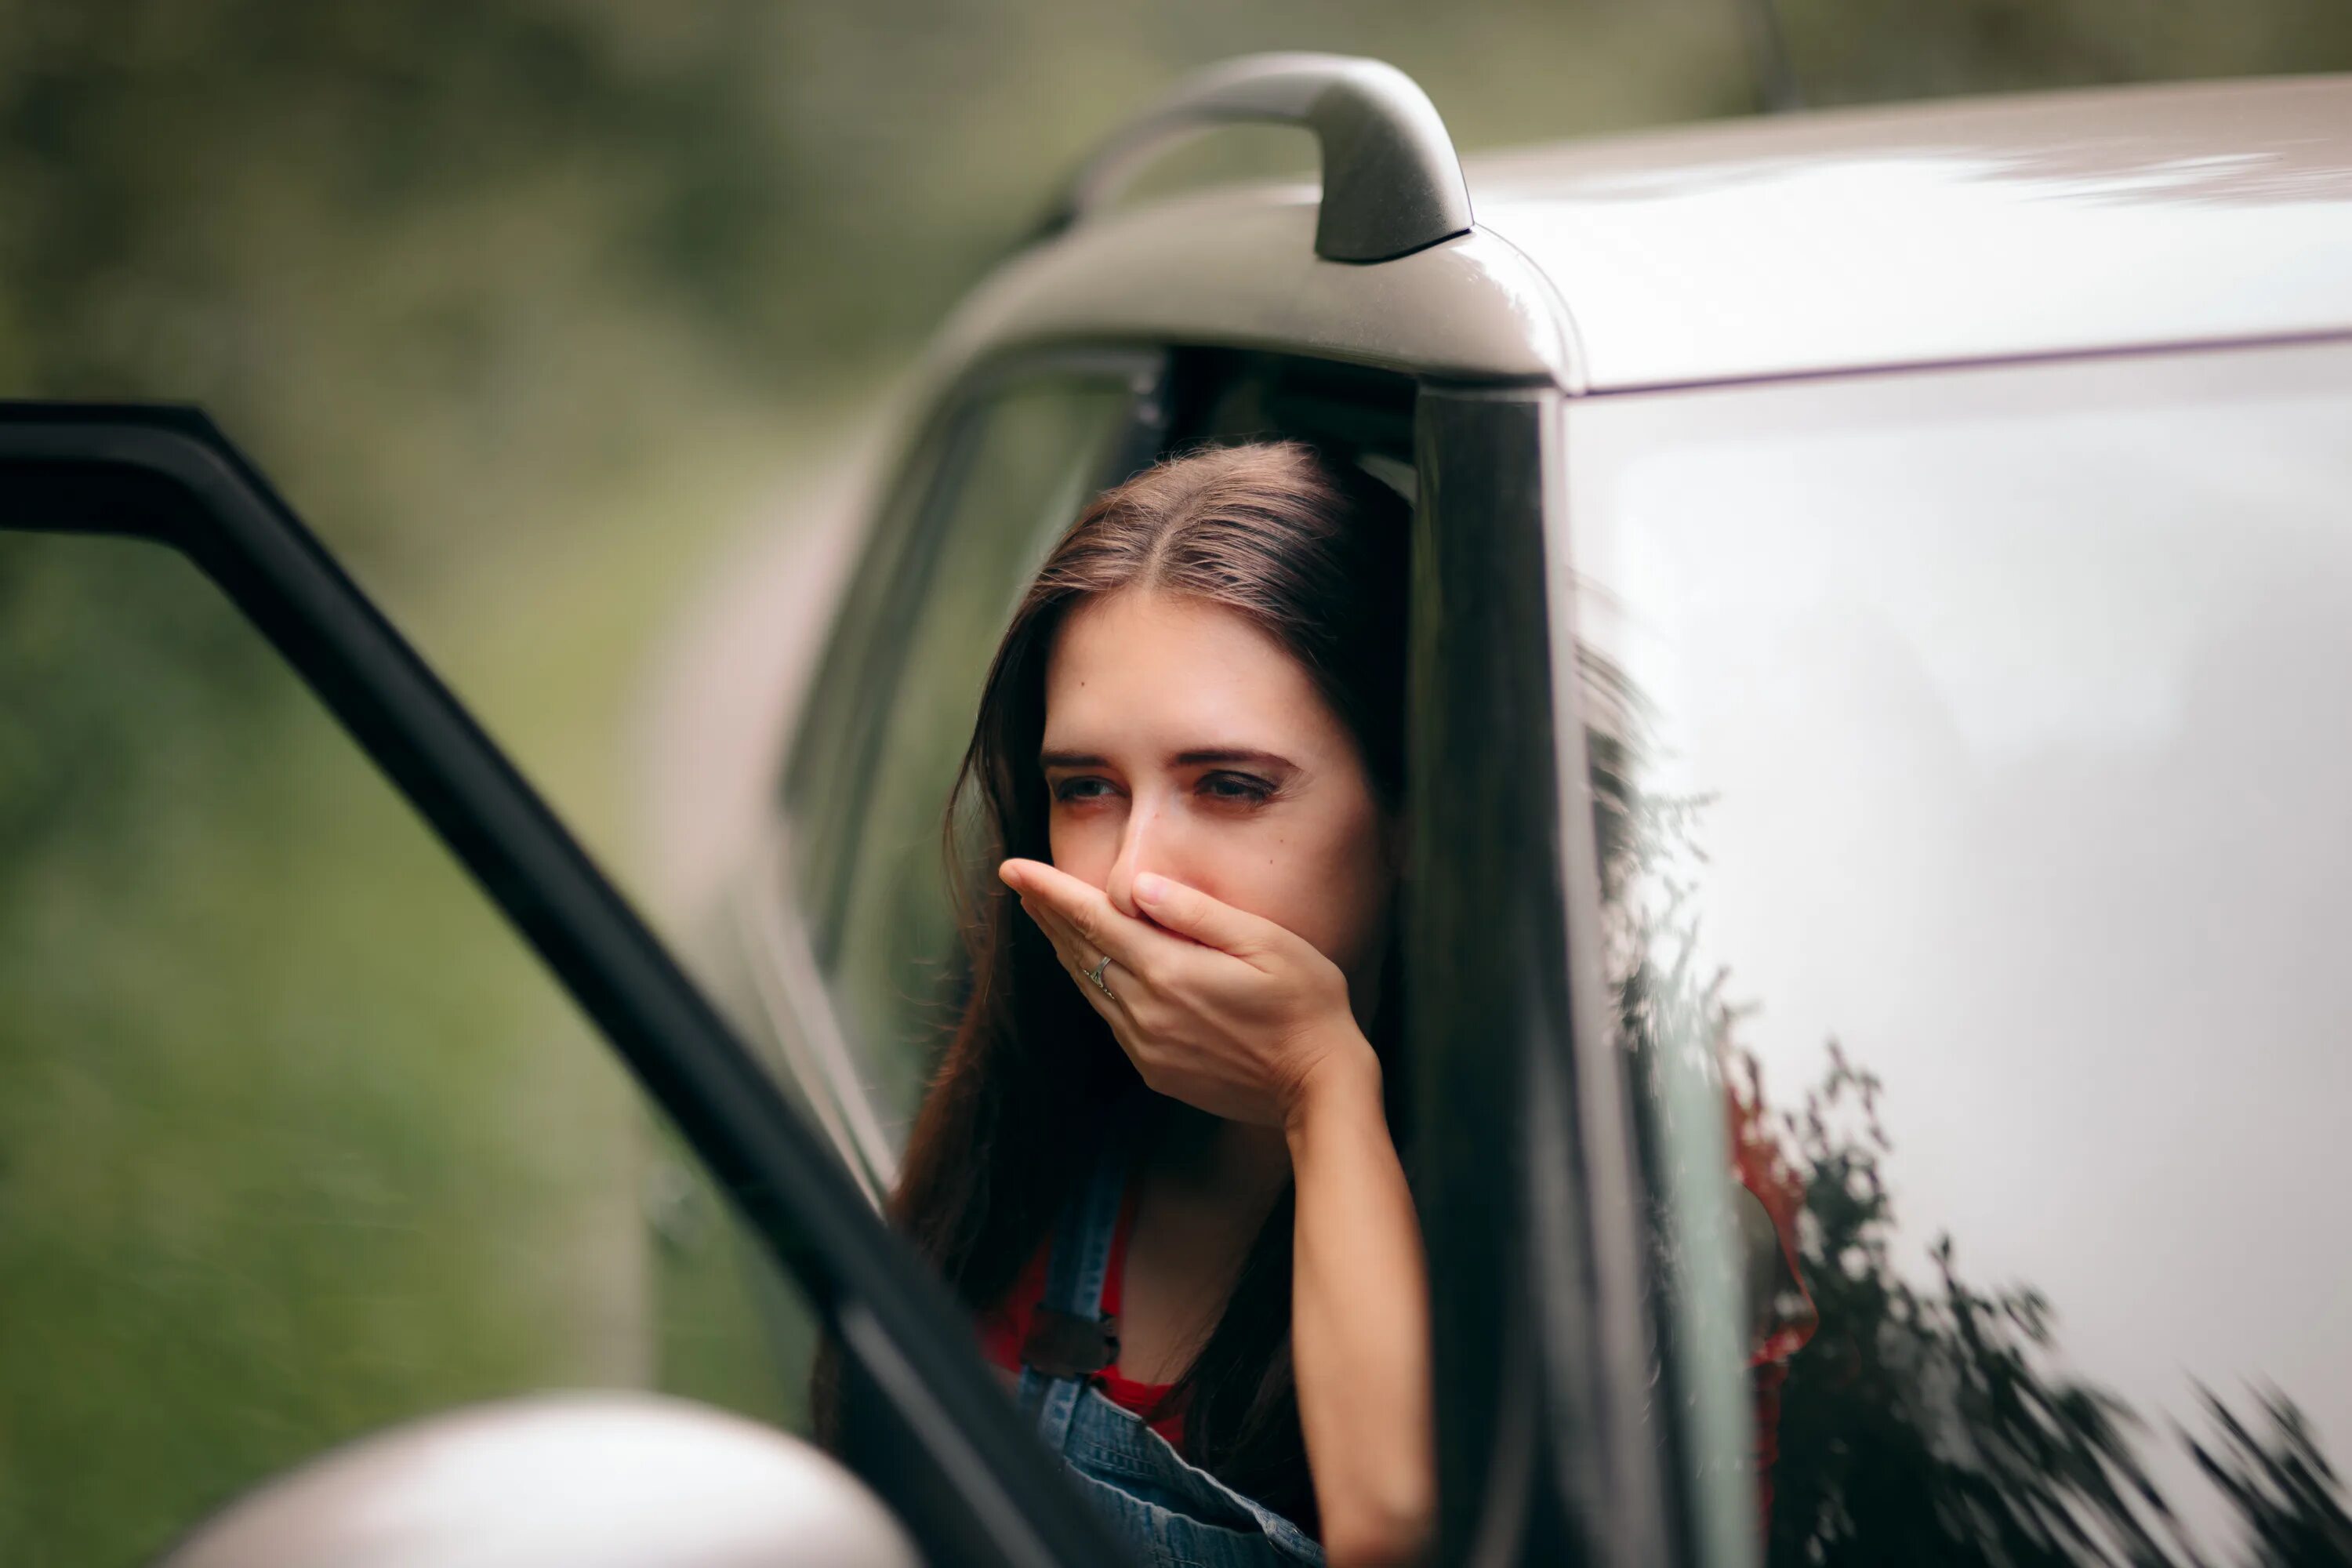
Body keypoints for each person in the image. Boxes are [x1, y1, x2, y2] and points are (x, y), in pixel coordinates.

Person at [860, 440, 1432, 1568]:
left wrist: (1324, 1092)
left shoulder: (1595, 1229)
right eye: (1087, 790)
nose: (1130, 874)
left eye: (1230, 786)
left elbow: (1398, 1531)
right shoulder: (1017, 1167)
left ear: (1414, 811)